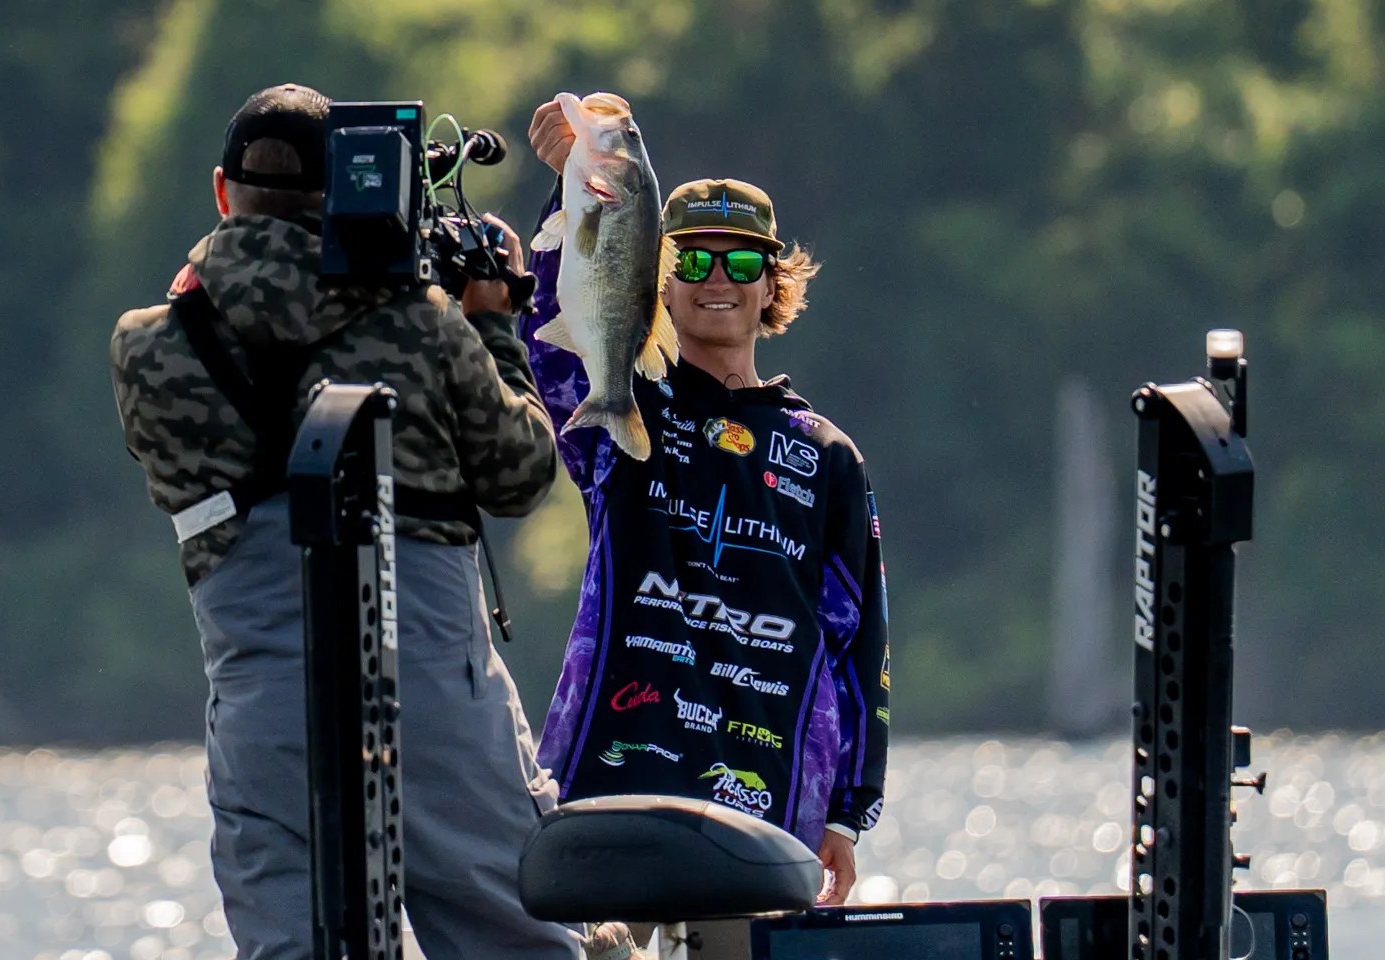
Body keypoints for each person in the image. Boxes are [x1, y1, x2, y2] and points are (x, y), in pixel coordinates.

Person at [109, 83, 579, 960]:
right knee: (515, 941)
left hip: (264, 704)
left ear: (222, 193)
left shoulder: (146, 345)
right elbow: (521, 476)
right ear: (350, 192)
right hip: (432, 687)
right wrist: (491, 326)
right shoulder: (422, 321)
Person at [523, 98, 891, 956]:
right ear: (658, 271)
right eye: (691, 258)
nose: (716, 278)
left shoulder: (827, 454)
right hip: (616, 767)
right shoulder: (622, 407)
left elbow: (861, 642)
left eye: (741, 260)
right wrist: (571, 192)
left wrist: (848, 810)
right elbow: (551, 339)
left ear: (771, 285)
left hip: (767, 788)